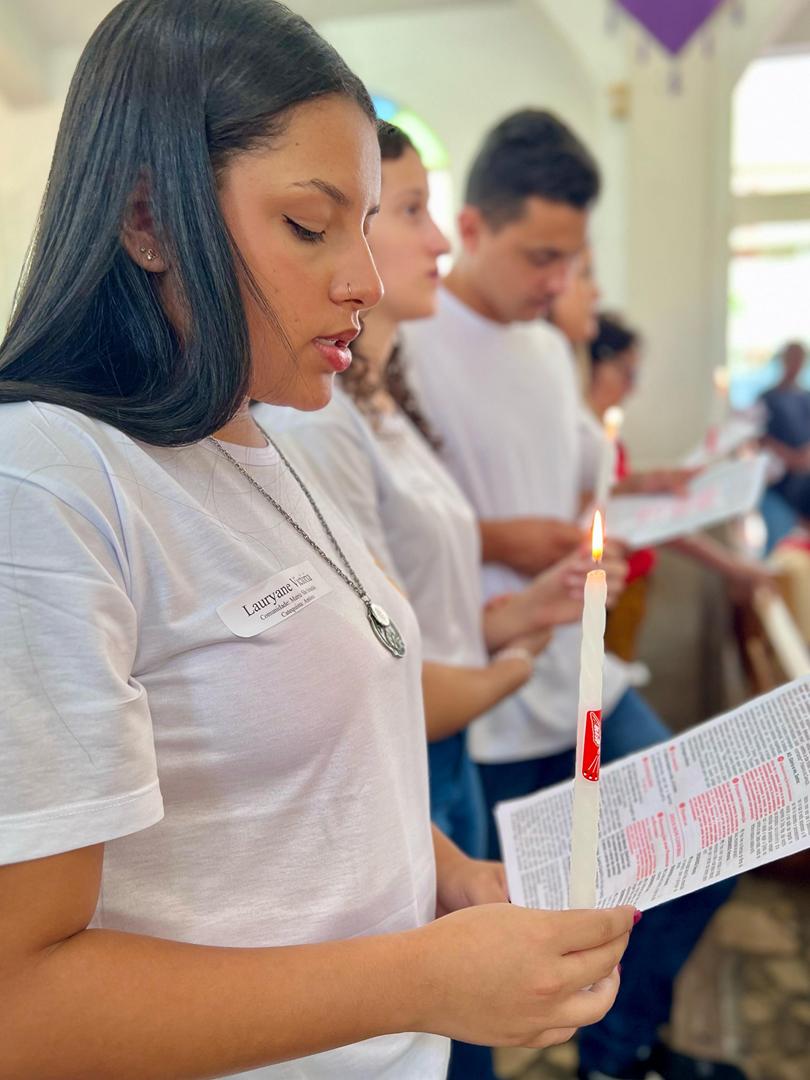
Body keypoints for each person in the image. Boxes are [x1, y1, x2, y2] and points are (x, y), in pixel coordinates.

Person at [0, 7, 636, 1078]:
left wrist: (448, 875)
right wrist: (418, 979)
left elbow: (308, 778)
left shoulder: (254, 432)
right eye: (310, 224)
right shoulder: (46, 481)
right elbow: (22, 1004)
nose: (366, 280)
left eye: (370, 225)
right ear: (149, 220)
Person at [260, 122, 628, 1080]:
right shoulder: (315, 426)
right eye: (409, 213)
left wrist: (532, 612)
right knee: (448, 1030)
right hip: (425, 746)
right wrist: (526, 662)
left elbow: (414, 621)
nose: (435, 241)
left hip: (439, 760)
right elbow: (387, 672)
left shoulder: (383, 399)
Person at [400, 109, 742, 1080]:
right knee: (496, 942)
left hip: (578, 672)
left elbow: (575, 490)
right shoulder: (407, 343)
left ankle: (616, 1050)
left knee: (705, 846)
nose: (559, 283)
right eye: (540, 256)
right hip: (484, 699)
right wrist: (502, 540)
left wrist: (609, 526)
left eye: (573, 260)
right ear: (473, 228)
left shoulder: (550, 351)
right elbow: (399, 528)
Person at [553, 280, 774, 661]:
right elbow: (595, 509)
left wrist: (650, 483)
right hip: (603, 583)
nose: (632, 388)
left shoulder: (601, 435)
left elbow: (622, 500)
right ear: (596, 365)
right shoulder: (578, 435)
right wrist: (732, 566)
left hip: (625, 579)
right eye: (627, 373)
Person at [760, 341, 810, 521]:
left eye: (800, 359)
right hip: (781, 480)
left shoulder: (806, 397)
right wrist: (793, 459)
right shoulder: (768, 398)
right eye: (792, 358)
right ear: (783, 360)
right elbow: (760, 439)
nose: (796, 364)